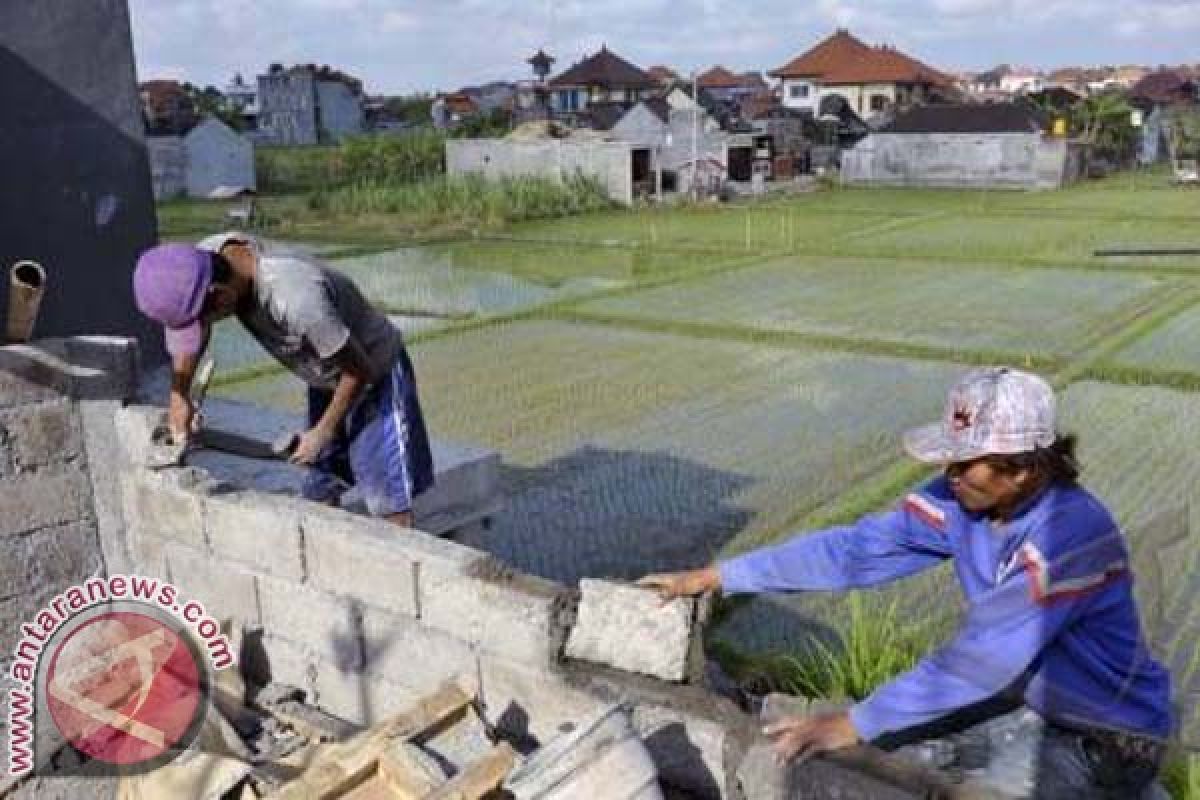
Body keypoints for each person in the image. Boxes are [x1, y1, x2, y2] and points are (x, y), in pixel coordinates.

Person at [639, 367, 1172, 799]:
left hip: (1108, 736)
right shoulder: (963, 502)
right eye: (950, 458)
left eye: (967, 461)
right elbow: (853, 552)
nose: (952, 473)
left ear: (1025, 469)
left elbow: (979, 660)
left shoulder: (1066, 537)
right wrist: (719, 576)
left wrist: (853, 722)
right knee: (893, 762)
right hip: (1033, 704)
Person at [133, 233, 434, 527]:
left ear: (221, 296)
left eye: (202, 320)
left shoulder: (297, 299)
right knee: (320, 484)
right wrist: (179, 395)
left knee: (386, 496)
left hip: (372, 371)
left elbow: (359, 371)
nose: (202, 328)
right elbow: (195, 335)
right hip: (323, 373)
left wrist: (324, 431)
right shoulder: (202, 262)